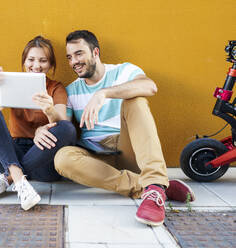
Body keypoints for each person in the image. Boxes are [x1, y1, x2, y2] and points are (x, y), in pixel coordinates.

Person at [54, 30, 195, 226]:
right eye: (69, 57)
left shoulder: (123, 71)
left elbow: (149, 86)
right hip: (96, 159)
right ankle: (153, 187)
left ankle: (154, 183)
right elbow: (63, 128)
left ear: (95, 52)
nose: (74, 62)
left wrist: (103, 93)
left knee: (135, 101)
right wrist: (44, 123)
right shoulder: (70, 91)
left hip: (128, 148)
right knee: (62, 158)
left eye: (79, 54)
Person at [0, 36, 76, 211]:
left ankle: (8, 178)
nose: (36, 66)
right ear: (24, 62)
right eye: (31, 60)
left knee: (68, 128)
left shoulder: (55, 88)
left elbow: (62, 123)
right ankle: (17, 176)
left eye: (43, 61)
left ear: (50, 65)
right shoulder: (12, 82)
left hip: (44, 158)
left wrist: (49, 111)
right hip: (10, 153)